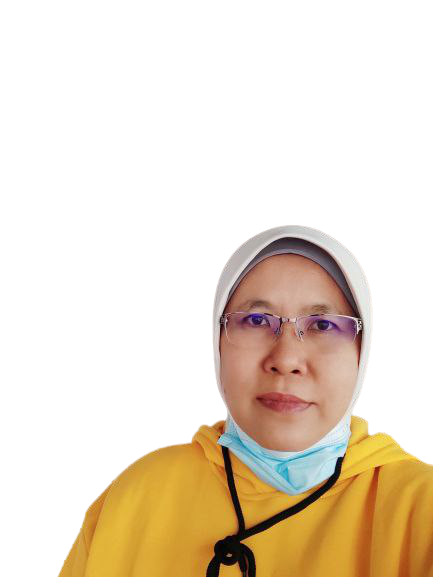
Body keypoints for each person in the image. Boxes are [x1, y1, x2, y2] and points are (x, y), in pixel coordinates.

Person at [59, 225, 433, 577]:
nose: (286, 359)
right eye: (256, 320)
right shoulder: (135, 495)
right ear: (216, 342)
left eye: (323, 325)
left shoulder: (420, 506)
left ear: (363, 352)